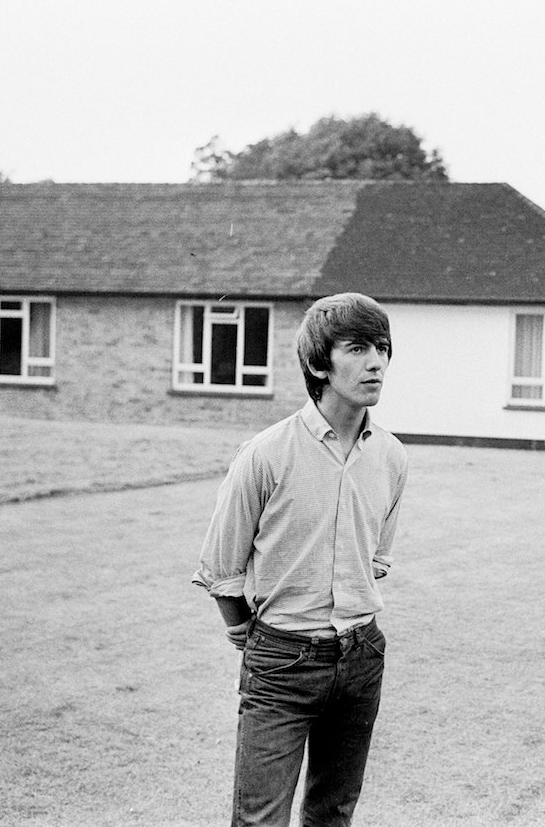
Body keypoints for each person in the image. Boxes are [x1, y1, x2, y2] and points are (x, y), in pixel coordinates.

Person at [192, 292, 409, 827]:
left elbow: (374, 557)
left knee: (332, 813)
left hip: (361, 658)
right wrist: (253, 636)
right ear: (318, 363)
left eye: (381, 347)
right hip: (282, 663)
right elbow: (222, 568)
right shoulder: (265, 454)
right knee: (261, 818)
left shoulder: (391, 456)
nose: (376, 361)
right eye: (357, 348)